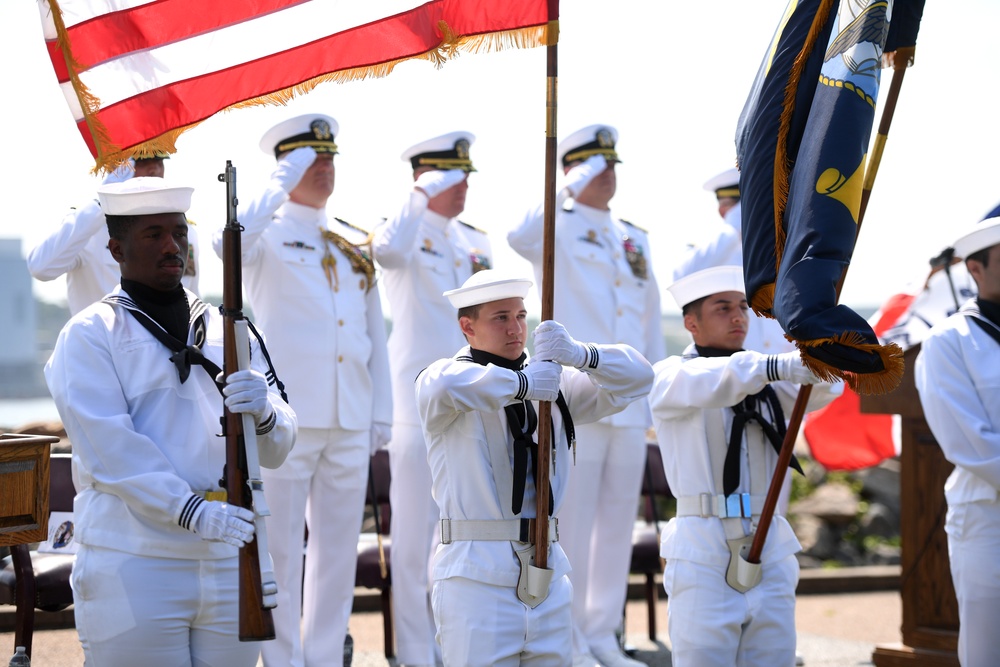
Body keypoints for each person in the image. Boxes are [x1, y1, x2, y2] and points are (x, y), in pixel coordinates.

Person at [44, 177, 296, 666]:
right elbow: (109, 449)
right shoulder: (90, 335)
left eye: (178, 233)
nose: (171, 246)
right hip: (136, 560)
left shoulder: (232, 331)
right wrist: (190, 510)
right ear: (116, 249)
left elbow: (280, 446)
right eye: (152, 234)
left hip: (229, 557)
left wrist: (265, 414)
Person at [212, 113, 392, 667]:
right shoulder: (264, 234)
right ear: (285, 165)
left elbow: (374, 335)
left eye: (329, 159)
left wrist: (379, 410)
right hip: (284, 422)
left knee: (338, 555)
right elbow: (228, 247)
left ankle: (322, 657)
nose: (324, 169)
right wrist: (277, 182)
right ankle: (283, 659)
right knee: (281, 552)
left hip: (347, 415)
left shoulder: (350, 241)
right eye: (310, 160)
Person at [415, 269, 654, 667]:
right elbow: (446, 386)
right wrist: (522, 386)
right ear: (467, 327)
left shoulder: (552, 387)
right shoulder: (445, 379)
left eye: (521, 316)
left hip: (546, 568)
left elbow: (639, 378)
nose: (516, 329)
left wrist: (581, 355)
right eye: (501, 317)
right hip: (475, 577)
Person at [507, 123, 664, 667]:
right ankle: (568, 639)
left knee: (618, 525)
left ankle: (602, 635)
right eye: (596, 165)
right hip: (577, 395)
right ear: (576, 170)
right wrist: (565, 186)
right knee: (570, 524)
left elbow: (647, 325)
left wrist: (649, 401)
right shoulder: (557, 224)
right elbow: (519, 235)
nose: (608, 174)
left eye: (612, 164)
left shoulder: (633, 236)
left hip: (625, 401)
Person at [648, 266, 840, 667]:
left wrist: (818, 347)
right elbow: (716, 379)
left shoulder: (764, 379)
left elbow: (826, 386)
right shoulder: (672, 376)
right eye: (722, 308)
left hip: (768, 541)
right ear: (690, 323)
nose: (738, 317)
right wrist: (777, 366)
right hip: (704, 549)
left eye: (741, 307)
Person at [371, 130, 491, 667]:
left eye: (465, 175)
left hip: (470, 405)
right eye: (450, 175)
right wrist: (419, 195)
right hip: (415, 404)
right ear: (426, 177)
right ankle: (415, 654)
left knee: (463, 533)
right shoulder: (403, 231)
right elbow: (387, 252)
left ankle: (455, 646)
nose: (462, 185)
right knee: (415, 536)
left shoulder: (474, 241)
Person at [915, 209, 1000, 667]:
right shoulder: (949, 341)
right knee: (990, 651)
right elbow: (970, 444)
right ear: (975, 269)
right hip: (989, 519)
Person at [28, 153, 201, 314]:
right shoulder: (88, 228)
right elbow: (41, 267)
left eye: (159, 162)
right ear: (117, 168)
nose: (154, 169)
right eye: (141, 162)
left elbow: (191, 300)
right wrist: (102, 202)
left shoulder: (183, 232)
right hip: (103, 343)